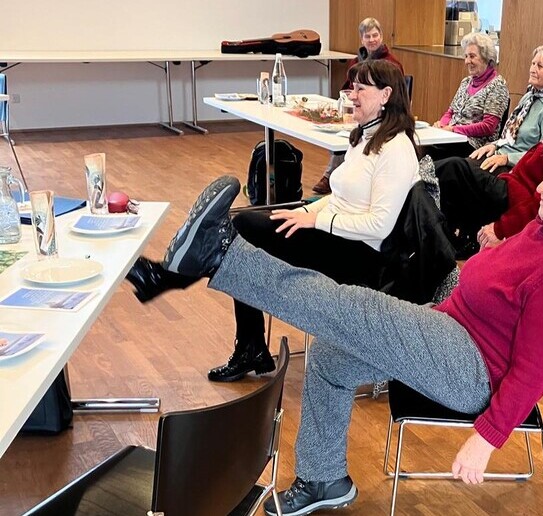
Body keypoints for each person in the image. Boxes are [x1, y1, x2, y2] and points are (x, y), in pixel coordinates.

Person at [140, 127, 543, 516]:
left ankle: (222, 254)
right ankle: (323, 479)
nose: (540, 186)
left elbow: (537, 369)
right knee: (332, 354)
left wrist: (485, 440)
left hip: (470, 369)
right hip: (450, 331)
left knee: (347, 307)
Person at [126, 59, 420, 382]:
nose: (352, 95)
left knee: (244, 228)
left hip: (363, 256)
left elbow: (380, 225)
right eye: (353, 87)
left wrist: (316, 222)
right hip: (337, 234)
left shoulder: (396, 148)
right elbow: (340, 196)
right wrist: (305, 212)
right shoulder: (365, 137)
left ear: (386, 95)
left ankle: (172, 284)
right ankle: (240, 339)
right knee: (242, 235)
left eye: (361, 88)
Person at [437, 54, 543, 259]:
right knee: (451, 169)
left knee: (451, 170)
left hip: (515, 198)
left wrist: (501, 228)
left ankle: (439, 246)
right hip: (512, 185)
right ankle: (449, 242)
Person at [312, 17, 405, 195]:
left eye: (375, 35)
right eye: (367, 36)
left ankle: (331, 175)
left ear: (381, 36)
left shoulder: (391, 64)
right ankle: (340, 174)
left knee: (349, 130)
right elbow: (348, 89)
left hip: (381, 114)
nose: (372, 40)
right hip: (359, 110)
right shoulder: (356, 62)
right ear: (361, 39)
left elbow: (395, 97)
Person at [426, 32, 510, 162]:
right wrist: (441, 124)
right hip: (451, 138)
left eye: (472, 56)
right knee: (419, 148)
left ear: (487, 59)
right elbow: (450, 112)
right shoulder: (466, 82)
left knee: (428, 154)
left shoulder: (497, 86)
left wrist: (454, 129)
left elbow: (488, 127)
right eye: (466, 56)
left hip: (474, 145)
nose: (467, 61)